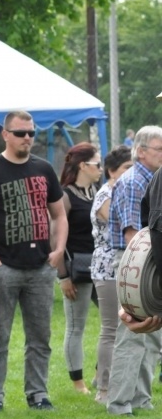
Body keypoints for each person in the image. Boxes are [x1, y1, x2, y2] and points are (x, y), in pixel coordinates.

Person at [0, 111, 68, 412]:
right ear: (5, 134)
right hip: (4, 268)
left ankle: (38, 393)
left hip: (40, 267)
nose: (27, 138)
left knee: (40, 337)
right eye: (21, 133)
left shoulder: (44, 169)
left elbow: (59, 214)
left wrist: (59, 249)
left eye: (31, 133)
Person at [105, 126, 162, 416]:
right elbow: (133, 236)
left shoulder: (151, 178)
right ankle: (119, 403)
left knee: (152, 333)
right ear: (141, 151)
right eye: (159, 149)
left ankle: (141, 398)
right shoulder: (132, 181)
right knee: (131, 333)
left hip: (149, 263)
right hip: (134, 263)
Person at [56, 143, 100, 395]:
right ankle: (78, 383)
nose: (101, 169)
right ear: (83, 165)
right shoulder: (65, 195)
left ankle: (100, 373)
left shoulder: (97, 192)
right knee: (76, 326)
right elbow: (56, 238)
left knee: (114, 321)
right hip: (77, 269)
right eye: (97, 164)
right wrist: (63, 276)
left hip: (102, 268)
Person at [90, 145, 133, 403]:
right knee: (110, 329)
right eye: (126, 168)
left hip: (125, 266)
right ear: (111, 171)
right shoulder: (106, 193)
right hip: (107, 267)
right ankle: (103, 389)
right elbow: (118, 223)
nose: (130, 173)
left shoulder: (123, 191)